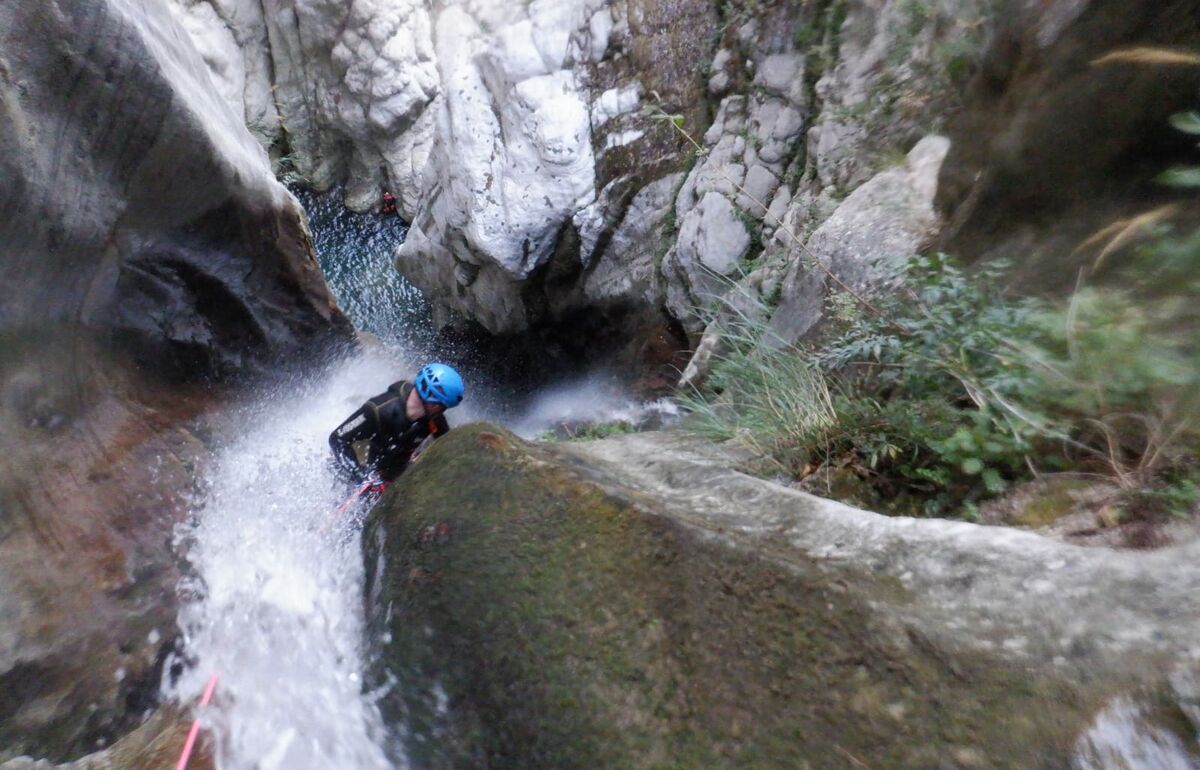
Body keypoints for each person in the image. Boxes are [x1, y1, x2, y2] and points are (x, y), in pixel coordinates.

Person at [329, 363, 465, 484]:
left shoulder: (434, 419)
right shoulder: (378, 410)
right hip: (362, 468)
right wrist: (359, 475)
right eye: (442, 406)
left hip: (394, 470)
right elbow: (337, 438)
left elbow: (445, 443)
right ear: (433, 403)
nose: (442, 411)